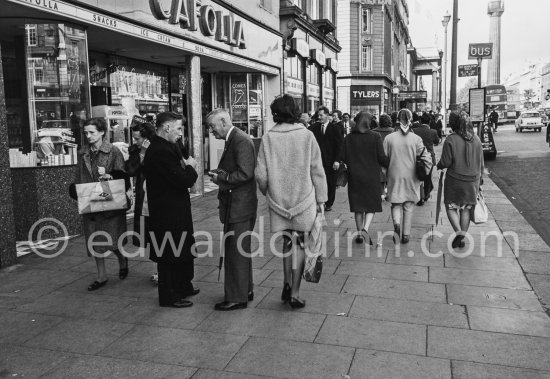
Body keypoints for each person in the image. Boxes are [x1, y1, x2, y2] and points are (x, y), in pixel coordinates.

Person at [255, 94, 327, 308]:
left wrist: (268, 192)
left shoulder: (268, 138)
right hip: (303, 201)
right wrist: (321, 199)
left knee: (287, 242)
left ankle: (286, 284)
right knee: (300, 244)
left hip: (278, 202)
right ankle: (294, 292)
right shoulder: (307, 136)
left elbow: (261, 174)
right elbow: (317, 170)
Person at [144, 112, 199, 308]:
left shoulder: (169, 146)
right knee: (169, 253)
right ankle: (169, 296)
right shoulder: (159, 150)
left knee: (182, 248)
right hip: (166, 212)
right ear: (166, 128)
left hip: (175, 208)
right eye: (178, 128)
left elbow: (180, 164)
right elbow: (184, 179)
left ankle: (183, 286)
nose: (180, 133)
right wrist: (191, 167)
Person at [207, 109, 258, 311]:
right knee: (240, 249)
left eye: (212, 126)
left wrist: (221, 178)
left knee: (235, 251)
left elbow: (245, 173)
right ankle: (245, 289)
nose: (210, 131)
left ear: (223, 122)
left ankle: (237, 297)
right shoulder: (236, 138)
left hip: (239, 205)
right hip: (239, 204)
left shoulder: (240, 140)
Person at [70, 118, 129, 291]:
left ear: (102, 132)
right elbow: (78, 175)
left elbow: (123, 177)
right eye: (86, 133)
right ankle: (101, 276)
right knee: (95, 241)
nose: (88, 136)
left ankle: (122, 258)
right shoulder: (83, 153)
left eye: (92, 132)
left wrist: (110, 175)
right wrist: (75, 190)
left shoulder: (113, 151)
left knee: (112, 240)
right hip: (90, 201)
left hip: (109, 202)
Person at [384, 109, 432, 244]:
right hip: (412, 176)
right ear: (411, 120)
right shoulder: (416, 139)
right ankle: (406, 235)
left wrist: (383, 177)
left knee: (395, 203)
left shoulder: (389, 138)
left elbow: (383, 159)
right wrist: (425, 173)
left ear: (397, 120)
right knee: (408, 206)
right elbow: (426, 158)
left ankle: (397, 225)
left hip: (394, 175)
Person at [437, 117, 484, 249]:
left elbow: (445, 162)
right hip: (472, 181)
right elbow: (481, 163)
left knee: (451, 207)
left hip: (455, 180)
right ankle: (462, 235)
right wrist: (480, 180)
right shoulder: (477, 140)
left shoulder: (451, 139)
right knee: (466, 209)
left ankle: (458, 233)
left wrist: (439, 165)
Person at [344, 111, 388, 244]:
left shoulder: (349, 137)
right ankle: (365, 229)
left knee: (358, 206)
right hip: (371, 176)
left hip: (355, 176)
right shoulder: (375, 136)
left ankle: (358, 233)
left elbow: (343, 156)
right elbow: (381, 157)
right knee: (371, 205)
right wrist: (389, 163)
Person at [125, 122, 156, 247]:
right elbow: (131, 171)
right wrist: (142, 152)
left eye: (137, 138)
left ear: (147, 138)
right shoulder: (135, 150)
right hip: (143, 194)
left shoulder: (159, 148)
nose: (135, 141)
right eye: (134, 138)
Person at [309, 106, 344, 212]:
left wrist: (337, 160)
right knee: (317, 182)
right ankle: (319, 201)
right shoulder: (313, 128)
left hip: (331, 161)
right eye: (318, 115)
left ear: (327, 115)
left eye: (321, 115)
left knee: (331, 182)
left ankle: (329, 203)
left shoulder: (335, 128)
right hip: (317, 161)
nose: (319, 117)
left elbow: (340, 146)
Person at [413, 113, 441, 206]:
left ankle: (419, 195)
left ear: (420, 121)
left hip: (416, 157)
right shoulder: (433, 132)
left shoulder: (414, 131)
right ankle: (426, 194)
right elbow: (437, 141)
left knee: (417, 175)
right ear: (429, 122)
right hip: (429, 158)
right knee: (428, 177)